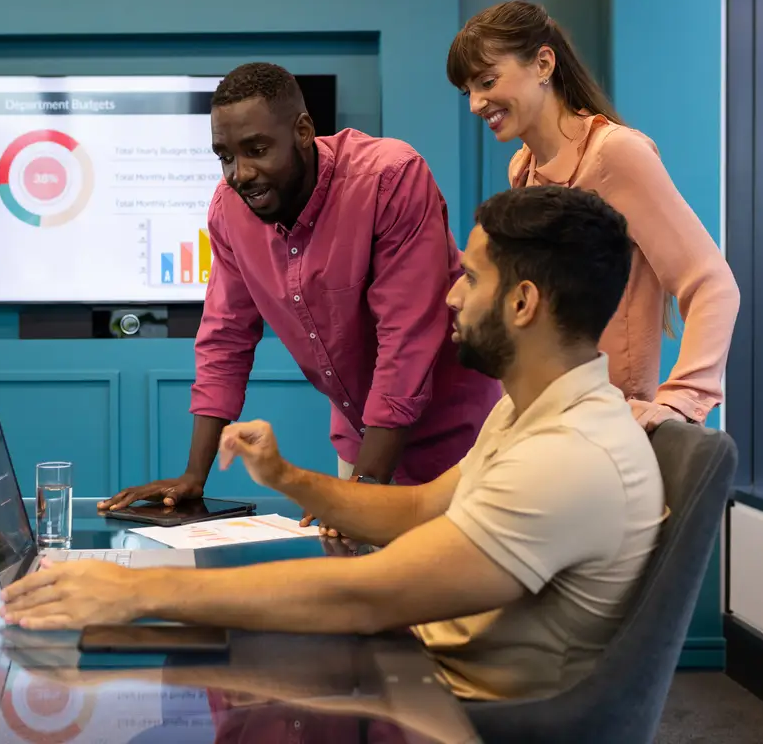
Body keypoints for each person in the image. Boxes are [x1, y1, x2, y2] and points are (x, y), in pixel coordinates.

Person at [1, 185, 668, 703]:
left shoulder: (568, 457)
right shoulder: (533, 413)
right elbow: (417, 510)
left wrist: (136, 592)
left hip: (457, 710)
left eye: (470, 277)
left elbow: (369, 594)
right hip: (417, 666)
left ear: (522, 303)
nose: (451, 296)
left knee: (152, 667)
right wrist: (285, 476)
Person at [99, 62, 501, 520]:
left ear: (303, 131)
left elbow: (406, 340)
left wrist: (360, 497)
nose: (240, 174)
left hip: (458, 442)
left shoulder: (389, 178)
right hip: (361, 443)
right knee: (356, 565)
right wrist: (194, 476)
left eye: (257, 150)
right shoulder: (229, 211)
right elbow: (225, 337)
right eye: (225, 156)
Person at [449, 0, 740, 430]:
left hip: (609, 426)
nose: (476, 103)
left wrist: (681, 401)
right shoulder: (522, 168)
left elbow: (712, 283)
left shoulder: (615, 153)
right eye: (468, 90)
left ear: (543, 63)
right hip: (548, 419)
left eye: (487, 81)